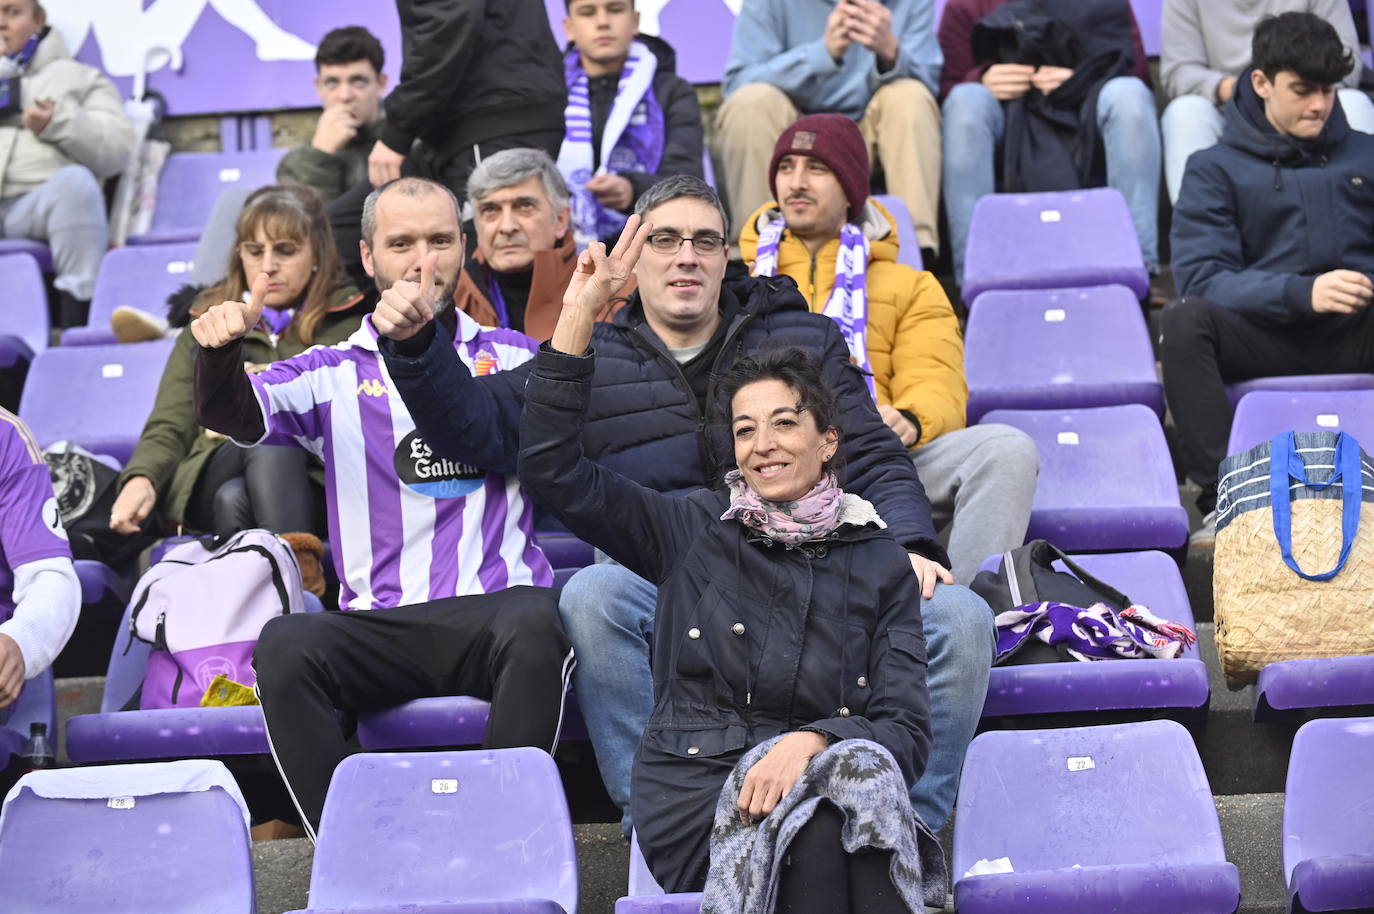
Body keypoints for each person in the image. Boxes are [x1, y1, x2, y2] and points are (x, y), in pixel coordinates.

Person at [374, 175, 993, 838]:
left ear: (729, 256)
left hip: (813, 571)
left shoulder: (800, 338)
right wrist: (416, 349)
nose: (686, 257)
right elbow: (475, 428)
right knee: (594, 595)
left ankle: (905, 834)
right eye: (664, 240)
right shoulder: (595, 357)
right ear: (633, 259)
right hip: (674, 581)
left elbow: (868, 453)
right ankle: (665, 827)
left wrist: (911, 544)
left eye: (705, 240)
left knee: (958, 616)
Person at [522, 238, 948, 902]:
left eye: (783, 423)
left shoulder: (877, 560)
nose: (763, 445)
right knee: (826, 825)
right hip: (700, 795)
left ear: (827, 439)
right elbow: (554, 470)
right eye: (745, 431)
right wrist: (578, 315)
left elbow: (906, 728)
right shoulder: (693, 530)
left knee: (841, 809)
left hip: (828, 780)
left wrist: (811, 741)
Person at [190, 176, 572, 839]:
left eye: (439, 240)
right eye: (401, 243)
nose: (422, 261)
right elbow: (234, 413)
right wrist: (218, 356)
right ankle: (355, 846)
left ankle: (498, 839)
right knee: (285, 643)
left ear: (466, 247)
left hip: (496, 617)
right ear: (368, 258)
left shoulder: (515, 358)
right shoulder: (332, 370)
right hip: (379, 629)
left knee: (541, 621)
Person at [740, 113, 1038, 584]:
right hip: (771, 458)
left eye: (816, 168)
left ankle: (966, 618)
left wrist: (912, 417)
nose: (796, 181)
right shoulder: (739, 283)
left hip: (878, 451)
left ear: (853, 187)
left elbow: (937, 377)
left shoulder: (911, 285)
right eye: (786, 167)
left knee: (1005, 450)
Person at [1162, 12, 1374, 544]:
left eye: (1327, 90)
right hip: (1263, 336)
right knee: (1184, 321)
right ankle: (1221, 500)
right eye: (1302, 90)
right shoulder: (1213, 167)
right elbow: (1202, 277)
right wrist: (1302, 293)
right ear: (1260, 83)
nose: (1319, 105)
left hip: (1354, 331)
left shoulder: (1367, 155)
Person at [107, 185, 370, 542]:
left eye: (285, 250)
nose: (267, 266)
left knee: (234, 498)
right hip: (211, 465)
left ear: (317, 254)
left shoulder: (351, 325)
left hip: (320, 480)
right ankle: (303, 584)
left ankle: (271, 587)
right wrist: (142, 478)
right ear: (238, 255)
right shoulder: (209, 321)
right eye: (254, 250)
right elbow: (171, 421)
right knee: (267, 431)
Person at [327, 0, 567, 289]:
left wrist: (398, 131)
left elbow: (448, 23)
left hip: (490, 116)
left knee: (487, 261)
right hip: (453, 126)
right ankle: (399, 327)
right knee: (331, 232)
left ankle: (505, 336)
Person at [938, 0, 1160, 284]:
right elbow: (946, 86)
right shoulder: (965, 5)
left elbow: (1138, 75)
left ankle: (1139, 267)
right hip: (1006, 130)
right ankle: (973, 275)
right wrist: (981, 78)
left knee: (1129, 94)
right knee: (965, 99)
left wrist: (1084, 79)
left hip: (1086, 120)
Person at [717, 0, 943, 254]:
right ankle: (756, 252)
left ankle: (912, 250)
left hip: (867, 136)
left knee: (910, 96)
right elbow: (739, 82)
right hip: (796, 138)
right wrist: (820, 54)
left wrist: (892, 53)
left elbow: (931, 87)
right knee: (751, 104)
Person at [1160, 0, 1374, 204]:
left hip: (1308, 96)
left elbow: (1346, 62)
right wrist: (1248, 91)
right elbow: (1178, 71)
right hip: (1228, 109)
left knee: (1354, 102)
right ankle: (1195, 222)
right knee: (1185, 112)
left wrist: (1300, 91)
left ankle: (1360, 210)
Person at [0, 0, 132, 327]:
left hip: (35, 204)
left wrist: (59, 123)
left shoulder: (80, 77)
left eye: (11, 12)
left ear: (39, 19)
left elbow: (117, 150)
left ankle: (79, 324)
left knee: (75, 184)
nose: (0, 24)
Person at [558, 0, 703, 248]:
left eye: (614, 9)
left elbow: (689, 180)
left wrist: (632, 189)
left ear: (635, 21)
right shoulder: (549, 93)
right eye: (588, 12)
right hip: (562, 245)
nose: (603, 22)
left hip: (654, 242)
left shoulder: (672, 91)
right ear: (569, 28)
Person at [453, 148, 629, 340]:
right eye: (490, 210)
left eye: (525, 206)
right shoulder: (451, 296)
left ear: (560, 220)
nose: (507, 227)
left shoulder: (617, 292)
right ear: (477, 225)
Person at [276, 26, 389, 205]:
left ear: (381, 84)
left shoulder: (408, 146)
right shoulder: (295, 165)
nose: (344, 96)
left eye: (358, 81)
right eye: (332, 83)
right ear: (318, 87)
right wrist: (321, 156)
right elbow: (305, 228)